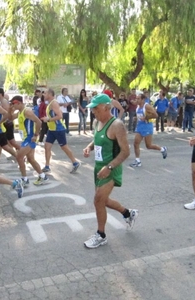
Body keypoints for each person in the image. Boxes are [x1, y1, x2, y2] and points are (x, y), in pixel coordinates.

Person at [82, 94, 138, 249]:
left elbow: (125, 152)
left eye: (96, 108)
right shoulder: (97, 122)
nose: (93, 111)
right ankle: (128, 214)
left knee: (98, 200)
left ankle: (101, 235)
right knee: (103, 201)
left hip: (111, 168)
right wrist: (89, 147)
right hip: (98, 167)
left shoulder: (117, 125)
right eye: (92, 108)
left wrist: (109, 167)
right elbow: (98, 138)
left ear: (106, 107)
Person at [8, 95, 49, 186]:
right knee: (30, 159)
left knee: (19, 157)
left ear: (19, 103)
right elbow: (10, 118)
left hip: (30, 138)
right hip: (25, 138)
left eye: (13, 104)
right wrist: (10, 110)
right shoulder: (20, 112)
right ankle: (43, 176)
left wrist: (36, 135)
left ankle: (24, 179)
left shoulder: (27, 111)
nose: (13, 105)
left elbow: (38, 122)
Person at [41, 89, 81, 174]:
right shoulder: (50, 103)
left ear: (50, 94)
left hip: (58, 129)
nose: (44, 95)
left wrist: (48, 119)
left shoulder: (54, 103)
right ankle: (47, 166)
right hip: (52, 130)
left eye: (45, 93)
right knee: (47, 147)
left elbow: (60, 116)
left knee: (64, 147)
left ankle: (75, 162)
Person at [129, 94, 168, 167]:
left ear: (143, 99)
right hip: (140, 126)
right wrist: (136, 118)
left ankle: (162, 149)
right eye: (136, 98)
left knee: (149, 146)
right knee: (136, 143)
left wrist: (146, 117)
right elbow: (140, 115)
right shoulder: (138, 107)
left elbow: (156, 115)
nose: (136, 100)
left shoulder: (146, 106)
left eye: (138, 99)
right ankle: (138, 161)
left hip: (147, 126)